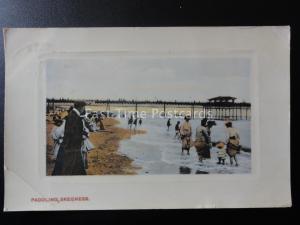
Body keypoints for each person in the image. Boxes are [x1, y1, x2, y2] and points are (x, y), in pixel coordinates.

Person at [52, 101, 87, 175]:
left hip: (69, 148)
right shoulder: (75, 117)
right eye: (84, 108)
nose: (84, 109)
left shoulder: (71, 116)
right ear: (82, 108)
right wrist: (81, 137)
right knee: (68, 170)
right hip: (72, 149)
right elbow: (72, 134)